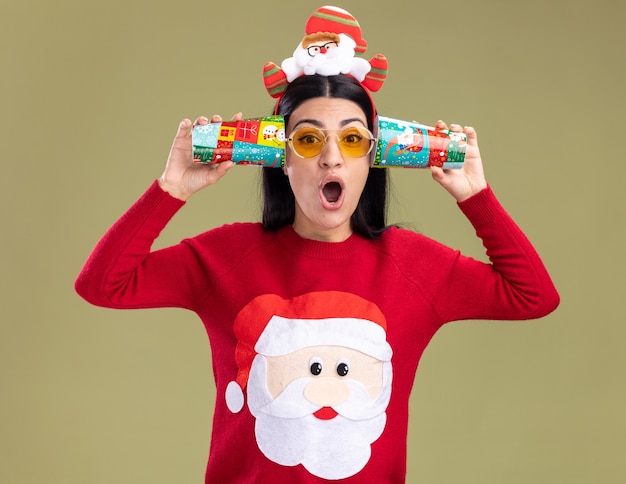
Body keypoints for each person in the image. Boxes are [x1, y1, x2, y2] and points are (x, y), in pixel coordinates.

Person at [75, 6, 559, 483]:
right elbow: (102, 285)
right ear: (281, 159)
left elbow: (533, 296)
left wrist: (477, 197)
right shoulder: (227, 257)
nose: (331, 159)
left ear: (373, 159)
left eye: (352, 141)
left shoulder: (412, 265)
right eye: (308, 141)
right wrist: (171, 188)